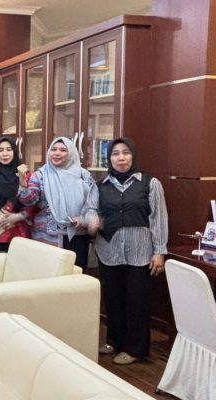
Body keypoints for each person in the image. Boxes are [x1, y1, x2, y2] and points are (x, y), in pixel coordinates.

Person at [95, 138, 168, 365]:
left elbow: (158, 219)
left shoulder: (150, 183)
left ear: (133, 156)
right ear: (109, 158)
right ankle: (114, 340)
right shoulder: (101, 185)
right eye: (115, 153)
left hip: (140, 251)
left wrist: (159, 251)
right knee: (113, 298)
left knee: (138, 300)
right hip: (109, 250)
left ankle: (136, 349)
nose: (121, 158)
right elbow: (94, 212)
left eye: (126, 153)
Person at [17, 136, 98, 270]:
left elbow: (93, 203)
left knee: (75, 275)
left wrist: (84, 218)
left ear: (71, 153)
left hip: (77, 235)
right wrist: (23, 183)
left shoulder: (83, 175)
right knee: (49, 275)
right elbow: (29, 200)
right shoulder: (40, 175)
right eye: (53, 149)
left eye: (63, 150)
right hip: (46, 237)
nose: (57, 153)